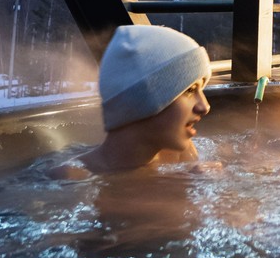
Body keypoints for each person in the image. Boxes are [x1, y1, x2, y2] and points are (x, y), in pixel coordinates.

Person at [71, 24, 213, 174]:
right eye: (190, 90)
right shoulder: (73, 177)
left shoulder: (181, 155)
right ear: (143, 101)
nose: (205, 106)